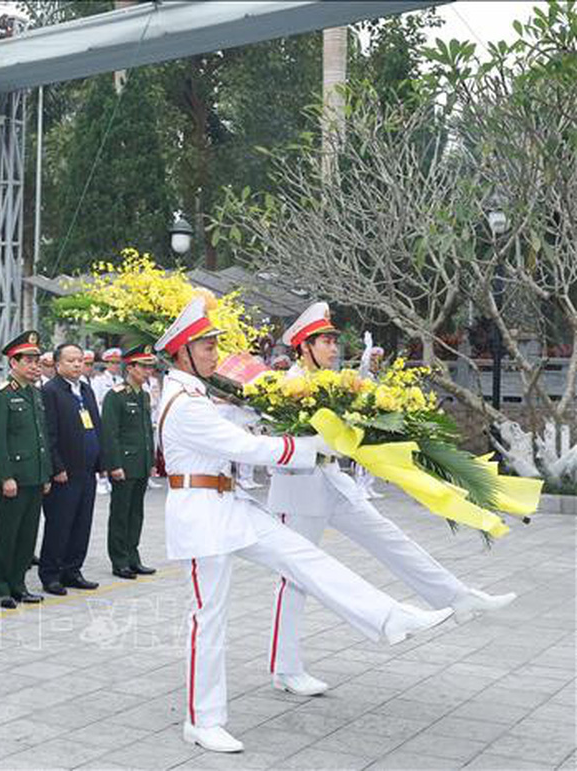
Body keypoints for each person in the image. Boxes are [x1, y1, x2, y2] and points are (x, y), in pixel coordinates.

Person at [154, 296, 454, 753]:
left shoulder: (195, 394)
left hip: (228, 504)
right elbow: (244, 447)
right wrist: (310, 443)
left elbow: (237, 423)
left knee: (306, 559)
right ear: (183, 354)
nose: (216, 353)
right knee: (209, 617)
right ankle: (203, 719)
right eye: (207, 347)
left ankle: (389, 617)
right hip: (200, 514)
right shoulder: (185, 401)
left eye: (215, 345)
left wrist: (265, 411)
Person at [265, 302, 516, 697]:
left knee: (390, 536)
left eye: (334, 340)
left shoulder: (331, 381)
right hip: (298, 491)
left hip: (333, 482)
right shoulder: (288, 386)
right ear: (304, 346)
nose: (334, 347)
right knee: (295, 579)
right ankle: (285, 667)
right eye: (326, 341)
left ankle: (456, 597)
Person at [0, 331, 52, 608]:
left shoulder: (35, 393)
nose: (35, 366)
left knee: (27, 535)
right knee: (7, 534)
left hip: (35, 476)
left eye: (38, 360)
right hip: (14, 478)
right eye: (29, 361)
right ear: (14, 363)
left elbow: (41, 436)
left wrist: (45, 473)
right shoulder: (2, 395)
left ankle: (18, 585)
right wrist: (6, 476)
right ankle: (0, 588)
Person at [39, 343, 102, 596]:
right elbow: (48, 433)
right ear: (57, 364)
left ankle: (72, 570)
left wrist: (101, 462)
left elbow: (96, 425)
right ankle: (51, 574)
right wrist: (57, 467)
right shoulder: (51, 391)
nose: (77, 364)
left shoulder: (85, 389)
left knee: (81, 523)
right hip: (65, 472)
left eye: (80, 360)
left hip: (87, 470)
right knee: (60, 524)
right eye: (71, 360)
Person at [100, 344, 157, 580]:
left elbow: (146, 431)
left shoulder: (143, 395)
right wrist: (114, 465)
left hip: (141, 463)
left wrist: (151, 460)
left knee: (136, 513)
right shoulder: (116, 395)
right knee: (121, 514)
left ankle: (133, 557)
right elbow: (110, 433)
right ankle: (120, 560)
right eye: (143, 366)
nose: (148, 371)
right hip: (124, 464)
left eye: (150, 367)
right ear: (130, 367)